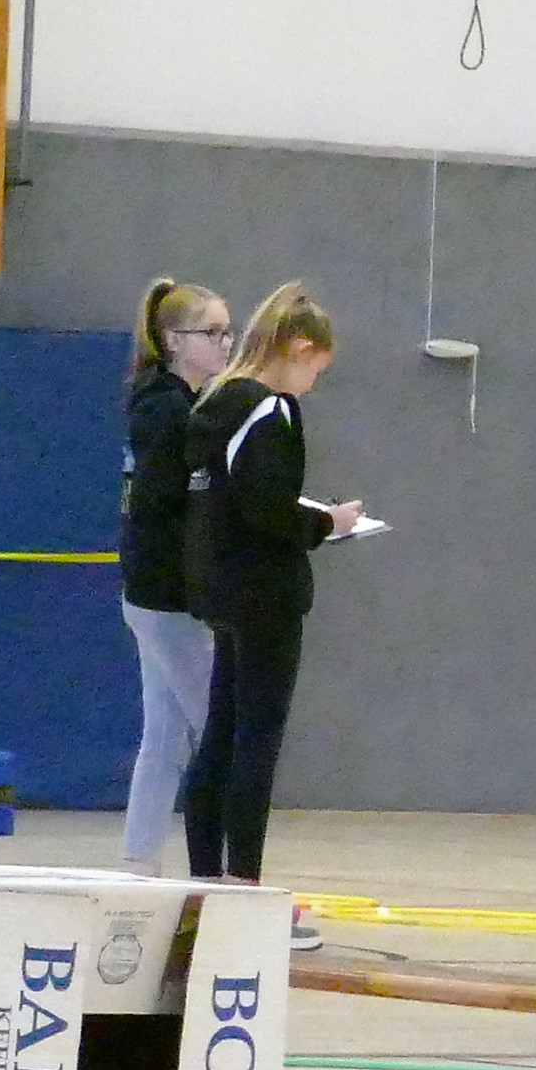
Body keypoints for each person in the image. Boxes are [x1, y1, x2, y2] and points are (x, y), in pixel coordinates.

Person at [180, 282, 362, 914]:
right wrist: (327, 523)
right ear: (300, 350)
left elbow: (229, 496)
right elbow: (266, 509)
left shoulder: (216, 399)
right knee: (256, 738)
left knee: (221, 733)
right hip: (264, 592)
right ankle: (244, 888)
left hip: (219, 585)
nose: (312, 385)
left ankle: (205, 878)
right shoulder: (269, 409)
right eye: (316, 370)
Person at [121, 278, 234, 871]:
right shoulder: (169, 412)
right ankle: (229, 876)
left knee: (164, 739)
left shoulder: (172, 405)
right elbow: (172, 508)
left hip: (153, 594)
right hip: (167, 598)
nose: (224, 345)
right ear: (173, 341)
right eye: (211, 333)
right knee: (224, 732)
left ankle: (140, 869)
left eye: (226, 332)